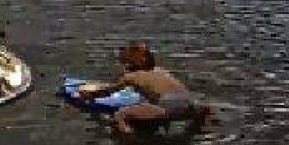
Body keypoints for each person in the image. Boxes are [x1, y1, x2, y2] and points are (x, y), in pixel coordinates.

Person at [78, 42, 207, 134]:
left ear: (129, 62)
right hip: (193, 103)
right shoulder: (160, 70)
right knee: (159, 115)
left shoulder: (131, 76)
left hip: (168, 105)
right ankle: (193, 137)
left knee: (120, 115)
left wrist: (89, 95)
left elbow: (107, 92)